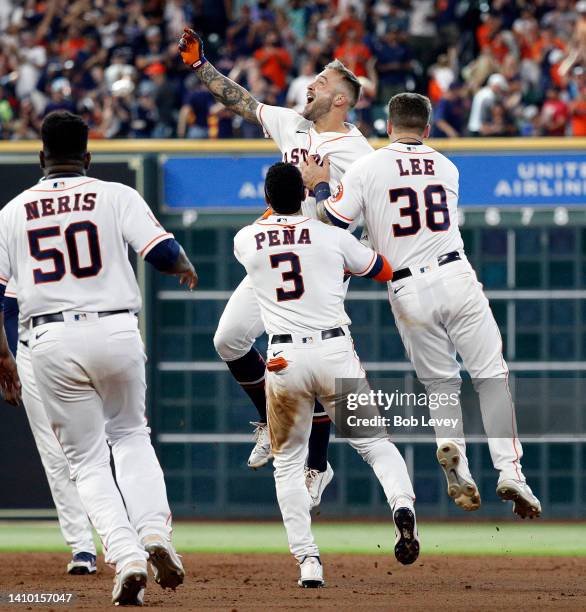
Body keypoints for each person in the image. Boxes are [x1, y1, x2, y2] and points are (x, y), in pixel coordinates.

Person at [303, 93, 541, 520]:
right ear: (427, 128)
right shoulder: (447, 166)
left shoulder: (366, 167)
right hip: (455, 273)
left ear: (388, 126)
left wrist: (319, 184)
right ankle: (510, 472)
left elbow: (330, 223)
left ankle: (458, 460)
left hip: (407, 287)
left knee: (441, 386)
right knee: (490, 376)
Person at [0, 111, 197, 605]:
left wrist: (3, 356)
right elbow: (162, 252)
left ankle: (127, 557)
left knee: (86, 462)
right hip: (115, 329)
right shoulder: (116, 194)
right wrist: (183, 265)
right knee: (131, 436)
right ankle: (156, 535)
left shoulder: (13, 211)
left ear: (41, 157)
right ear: (88, 156)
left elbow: (1, 299)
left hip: (49, 341)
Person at [178, 28, 373, 504]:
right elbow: (243, 103)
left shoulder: (359, 155)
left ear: (342, 100)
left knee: (317, 370)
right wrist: (200, 66)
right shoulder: (294, 125)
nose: (311, 85)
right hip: (276, 256)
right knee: (227, 340)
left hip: (321, 268)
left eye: (322, 82)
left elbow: (350, 219)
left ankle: (317, 466)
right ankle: (269, 419)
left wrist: (319, 189)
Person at [234, 162, 419, 587]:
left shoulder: (245, 239)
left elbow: (272, 228)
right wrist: (321, 191)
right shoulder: (334, 237)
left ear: (265, 200)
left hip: (283, 361)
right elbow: (383, 270)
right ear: (302, 195)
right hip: (335, 351)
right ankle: (402, 507)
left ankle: (309, 563)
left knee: (287, 465)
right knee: (375, 446)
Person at [3, 283, 97, 575]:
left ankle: (129, 538)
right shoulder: (13, 239)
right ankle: (82, 547)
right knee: (54, 454)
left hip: (92, 343)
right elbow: (7, 306)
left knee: (105, 445)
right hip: (32, 350)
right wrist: (8, 361)